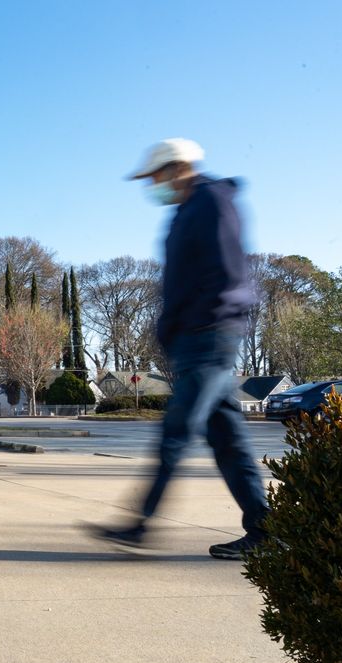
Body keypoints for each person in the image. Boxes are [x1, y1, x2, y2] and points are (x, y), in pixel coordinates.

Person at [93, 138, 269, 560]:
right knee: (227, 439)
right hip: (196, 339)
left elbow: (226, 273)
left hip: (209, 336)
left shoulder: (211, 202)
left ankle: (138, 524)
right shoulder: (186, 210)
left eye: (155, 175)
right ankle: (266, 532)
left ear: (177, 168)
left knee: (176, 430)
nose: (152, 184)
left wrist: (198, 324)